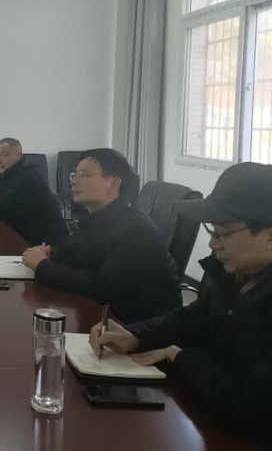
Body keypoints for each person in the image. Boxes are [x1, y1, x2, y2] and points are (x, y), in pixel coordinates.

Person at [89, 162, 272, 447]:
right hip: (207, 420)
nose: (212, 245)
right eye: (212, 231)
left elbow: (248, 409)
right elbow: (193, 319)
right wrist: (136, 335)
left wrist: (180, 357)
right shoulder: (231, 273)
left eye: (223, 233)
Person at [21, 148, 181, 323]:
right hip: (107, 314)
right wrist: (50, 255)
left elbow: (102, 287)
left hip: (140, 327)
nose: (73, 181)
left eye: (84, 175)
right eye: (74, 174)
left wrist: (43, 266)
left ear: (113, 183)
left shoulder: (136, 230)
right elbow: (73, 251)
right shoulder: (98, 218)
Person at [0, 138, 68, 245]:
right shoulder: (5, 176)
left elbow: (2, 210)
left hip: (49, 246)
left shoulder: (29, 178)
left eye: (4, 155)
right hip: (24, 239)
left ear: (19, 156)